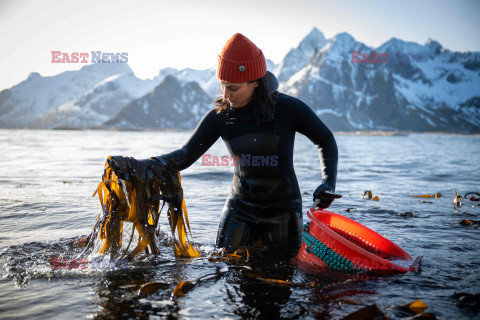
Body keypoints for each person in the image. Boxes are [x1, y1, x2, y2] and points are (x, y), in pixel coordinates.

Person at [157, 33, 338, 259]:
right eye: (222, 85)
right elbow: (184, 156)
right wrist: (142, 166)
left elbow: (325, 139)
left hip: (282, 212)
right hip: (239, 208)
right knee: (223, 265)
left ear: (255, 82)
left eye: (233, 88)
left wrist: (328, 182)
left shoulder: (288, 109)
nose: (226, 95)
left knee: (282, 278)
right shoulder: (220, 117)